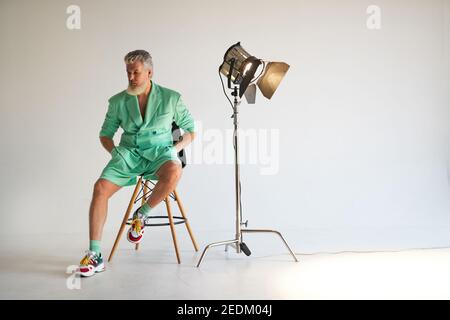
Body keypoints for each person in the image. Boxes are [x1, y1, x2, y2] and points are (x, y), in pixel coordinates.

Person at [78, 50, 196, 277]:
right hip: (128, 154)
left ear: (149, 72)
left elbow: (191, 130)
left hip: (160, 153)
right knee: (100, 188)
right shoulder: (117, 101)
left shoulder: (172, 97)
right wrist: (115, 153)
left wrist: (175, 149)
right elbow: (105, 134)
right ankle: (95, 254)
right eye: (128, 73)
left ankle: (141, 215)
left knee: (174, 170)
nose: (131, 78)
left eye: (136, 72)